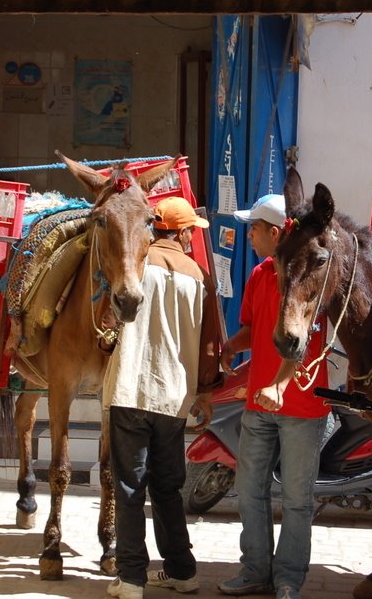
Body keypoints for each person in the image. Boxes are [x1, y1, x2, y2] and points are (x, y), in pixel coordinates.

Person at [104, 196, 223, 599]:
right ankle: (182, 571)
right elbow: (211, 346)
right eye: (192, 232)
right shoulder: (200, 276)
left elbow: (107, 320)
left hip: (130, 390)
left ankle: (132, 579)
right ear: (184, 233)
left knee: (130, 487)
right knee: (167, 487)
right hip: (174, 398)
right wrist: (204, 393)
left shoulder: (134, 262)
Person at [217, 194, 331, 599]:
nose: (249, 236)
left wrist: (279, 386)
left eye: (254, 229)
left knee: (298, 500)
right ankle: (255, 571)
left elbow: (307, 341)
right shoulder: (258, 275)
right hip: (256, 405)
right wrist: (233, 344)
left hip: (301, 406)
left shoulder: (308, 277)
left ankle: (288, 578)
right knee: (249, 492)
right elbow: (255, 328)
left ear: (275, 232)